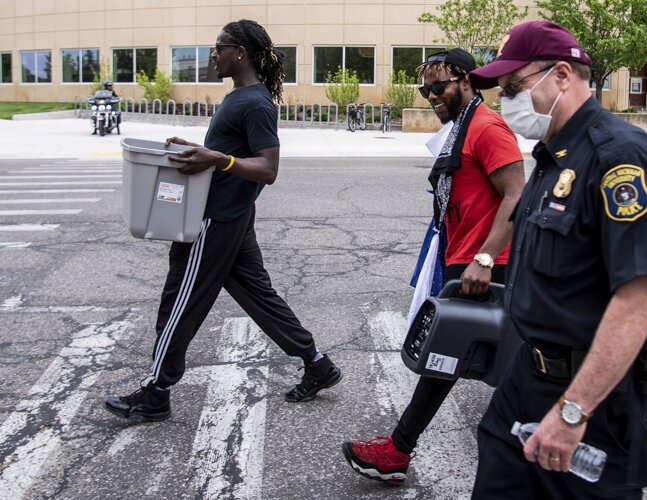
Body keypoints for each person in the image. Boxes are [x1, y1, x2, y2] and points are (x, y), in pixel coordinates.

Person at [467, 20, 647, 499]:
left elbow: (640, 300)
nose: (505, 102)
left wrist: (573, 413)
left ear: (561, 75)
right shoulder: (553, 157)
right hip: (526, 378)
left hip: (593, 403)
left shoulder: (620, 159)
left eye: (512, 87)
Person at [104, 19, 342, 423]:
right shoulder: (239, 97)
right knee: (259, 297)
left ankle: (156, 392)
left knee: (181, 300)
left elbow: (268, 168)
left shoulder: (255, 103)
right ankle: (316, 363)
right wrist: (203, 150)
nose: (214, 54)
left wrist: (219, 159)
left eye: (220, 47)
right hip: (231, 216)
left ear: (241, 53)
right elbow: (231, 154)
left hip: (216, 220)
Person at [341, 48, 525, 484]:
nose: (431, 96)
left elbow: (518, 195)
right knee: (494, 359)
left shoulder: (486, 126)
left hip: (487, 263)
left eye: (438, 87)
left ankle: (398, 449)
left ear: (466, 80)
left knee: (446, 356)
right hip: (465, 257)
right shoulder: (462, 127)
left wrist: (482, 258)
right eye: (425, 91)